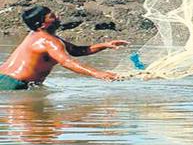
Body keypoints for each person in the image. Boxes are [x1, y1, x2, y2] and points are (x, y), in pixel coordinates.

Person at [0, 6, 128, 90]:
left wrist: (105, 45)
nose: (58, 18)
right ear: (42, 24)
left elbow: (76, 51)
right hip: (13, 84)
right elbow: (67, 62)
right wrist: (98, 73)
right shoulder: (49, 41)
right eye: (52, 16)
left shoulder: (37, 35)